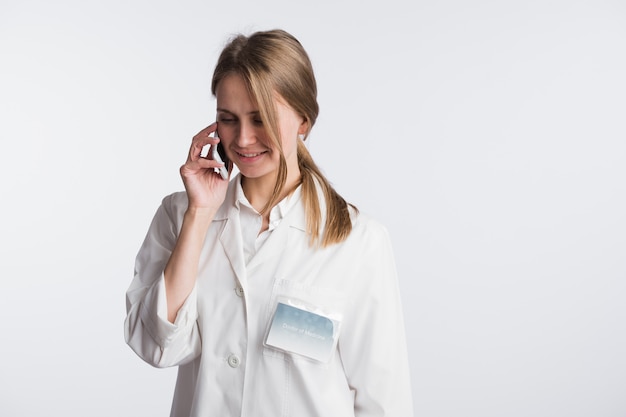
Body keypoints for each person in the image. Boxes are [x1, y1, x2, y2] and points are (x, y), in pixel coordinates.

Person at [124, 28, 413, 417]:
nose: (243, 139)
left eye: (261, 119)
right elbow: (156, 345)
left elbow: (384, 400)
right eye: (228, 119)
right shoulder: (180, 215)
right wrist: (199, 215)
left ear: (304, 121)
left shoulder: (358, 242)